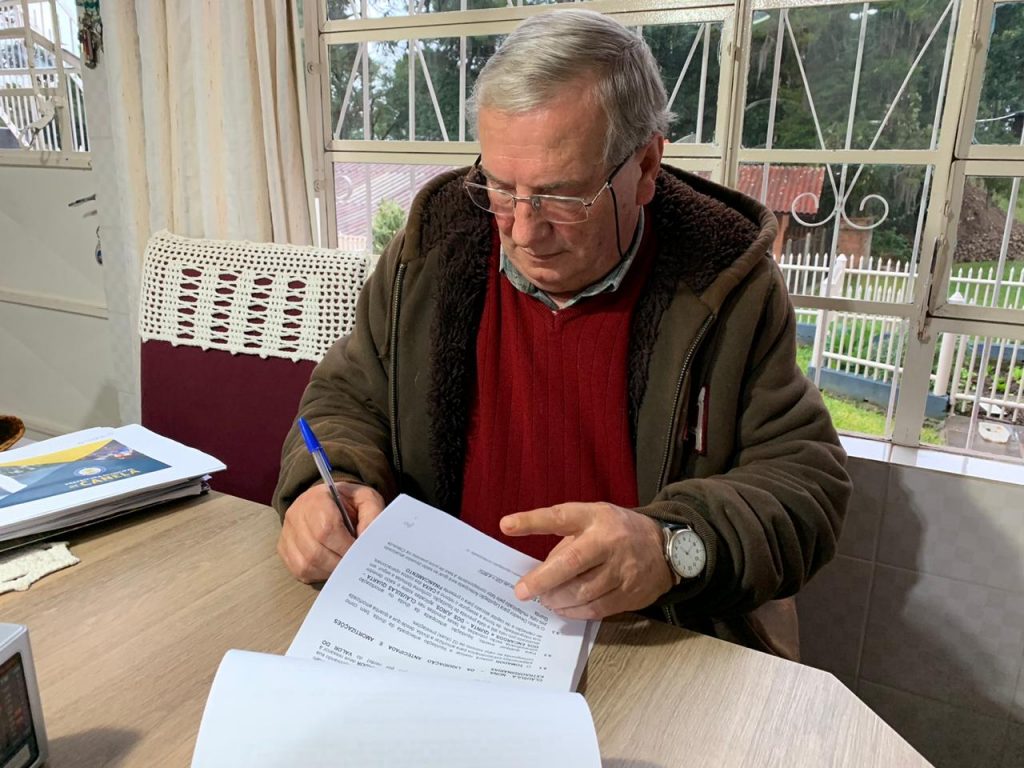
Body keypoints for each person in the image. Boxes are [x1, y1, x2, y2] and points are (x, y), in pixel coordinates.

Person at [273, 8, 850, 659]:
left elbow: (806, 483)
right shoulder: (433, 250)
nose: (522, 230)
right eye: (500, 187)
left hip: (647, 638)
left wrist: (669, 546)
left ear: (647, 165)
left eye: (563, 197)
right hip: (438, 622)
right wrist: (329, 487)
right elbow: (347, 399)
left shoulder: (724, 284)